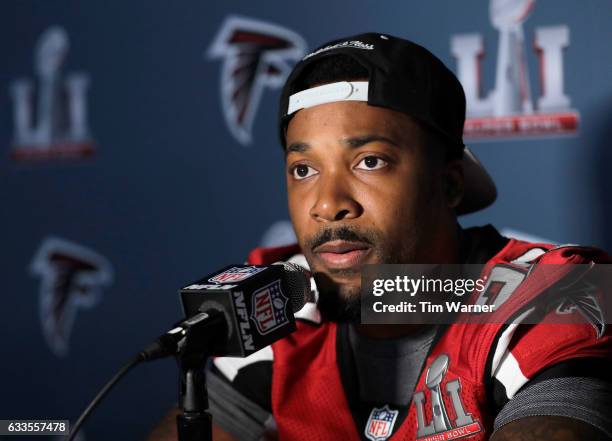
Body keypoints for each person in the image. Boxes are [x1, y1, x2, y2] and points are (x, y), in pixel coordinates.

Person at [149, 33, 612, 441]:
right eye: (303, 169)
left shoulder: (557, 296)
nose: (327, 204)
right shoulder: (283, 309)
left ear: (447, 185)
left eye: (369, 161)